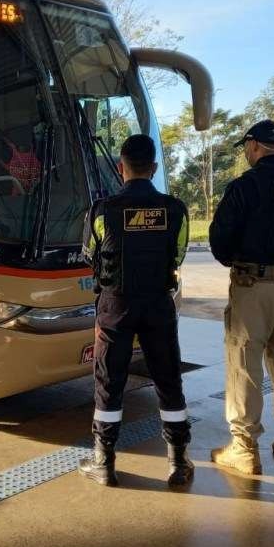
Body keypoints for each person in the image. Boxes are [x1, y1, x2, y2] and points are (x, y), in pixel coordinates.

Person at [78, 134, 193, 488]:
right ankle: (177, 462)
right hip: (158, 304)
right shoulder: (176, 210)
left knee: (108, 383)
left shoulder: (101, 210)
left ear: (120, 168)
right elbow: (178, 254)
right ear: (154, 168)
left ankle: (104, 462)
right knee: (168, 379)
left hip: (115, 306)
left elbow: (88, 255)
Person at [208, 119, 274, 475]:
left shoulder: (245, 185)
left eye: (246, 148)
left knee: (245, 365)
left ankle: (243, 448)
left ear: (253, 146)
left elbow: (220, 238)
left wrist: (236, 261)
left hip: (252, 286)